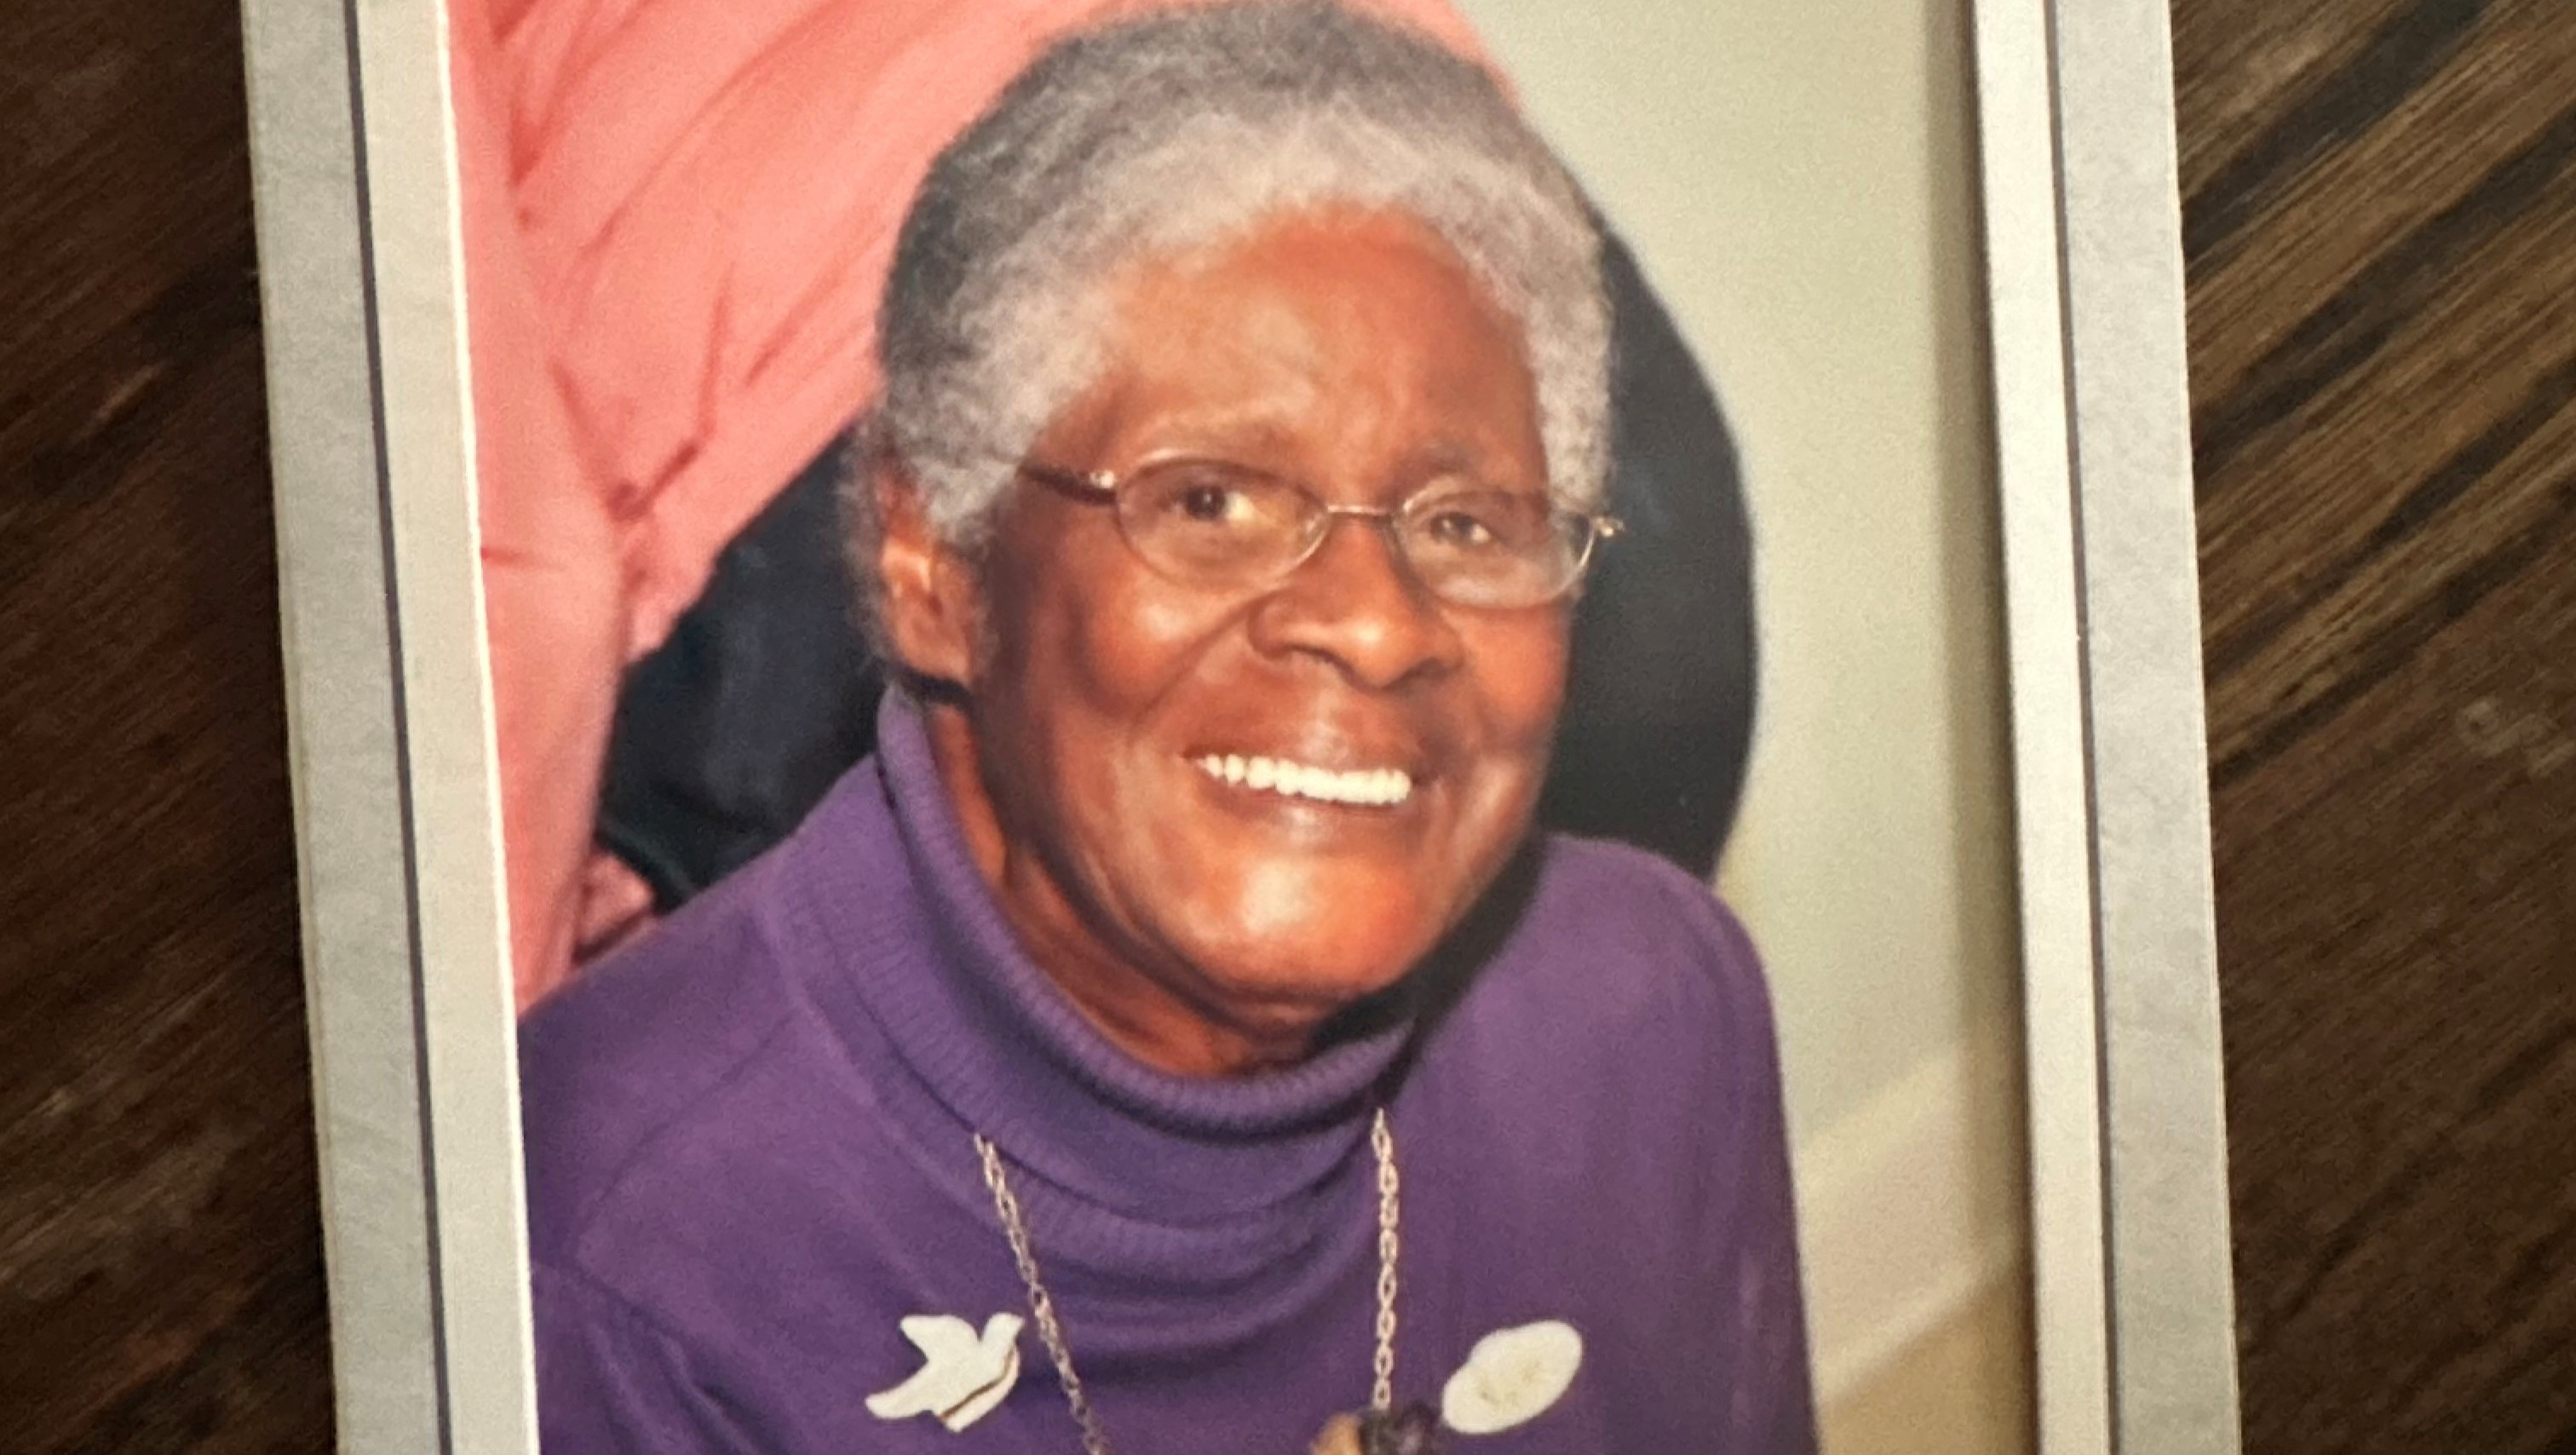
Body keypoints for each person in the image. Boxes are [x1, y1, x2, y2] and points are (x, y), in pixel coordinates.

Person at [517, 5, 1814, 1452]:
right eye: (1209, 502)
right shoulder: (603, 1266)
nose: (1376, 625)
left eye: (1465, 523)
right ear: (934, 562)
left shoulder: (1654, 1011)